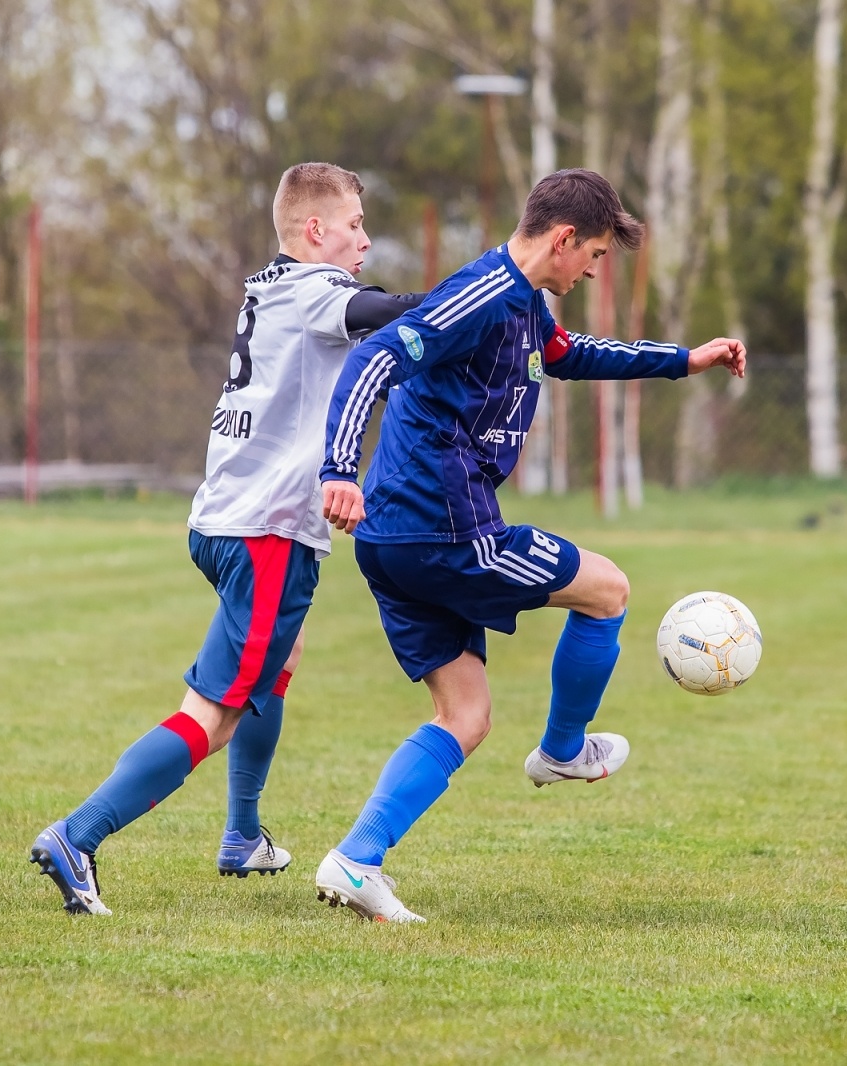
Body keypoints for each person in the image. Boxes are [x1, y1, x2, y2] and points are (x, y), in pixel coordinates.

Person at [312, 169, 747, 923]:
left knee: (466, 716)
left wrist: (684, 360)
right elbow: (373, 358)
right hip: (442, 526)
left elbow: (569, 353)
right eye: (597, 256)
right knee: (607, 589)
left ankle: (355, 861)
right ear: (563, 239)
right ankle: (563, 750)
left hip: (395, 537)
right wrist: (337, 470)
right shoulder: (479, 298)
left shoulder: (523, 305)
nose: (592, 271)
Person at [30, 163, 425, 915]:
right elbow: (391, 311)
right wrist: (485, 293)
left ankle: (243, 835)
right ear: (315, 231)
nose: (365, 241)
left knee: (286, 653)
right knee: (209, 713)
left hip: (222, 522)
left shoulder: (269, 285)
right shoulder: (317, 289)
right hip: (267, 531)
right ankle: (76, 836)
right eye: (353, 226)